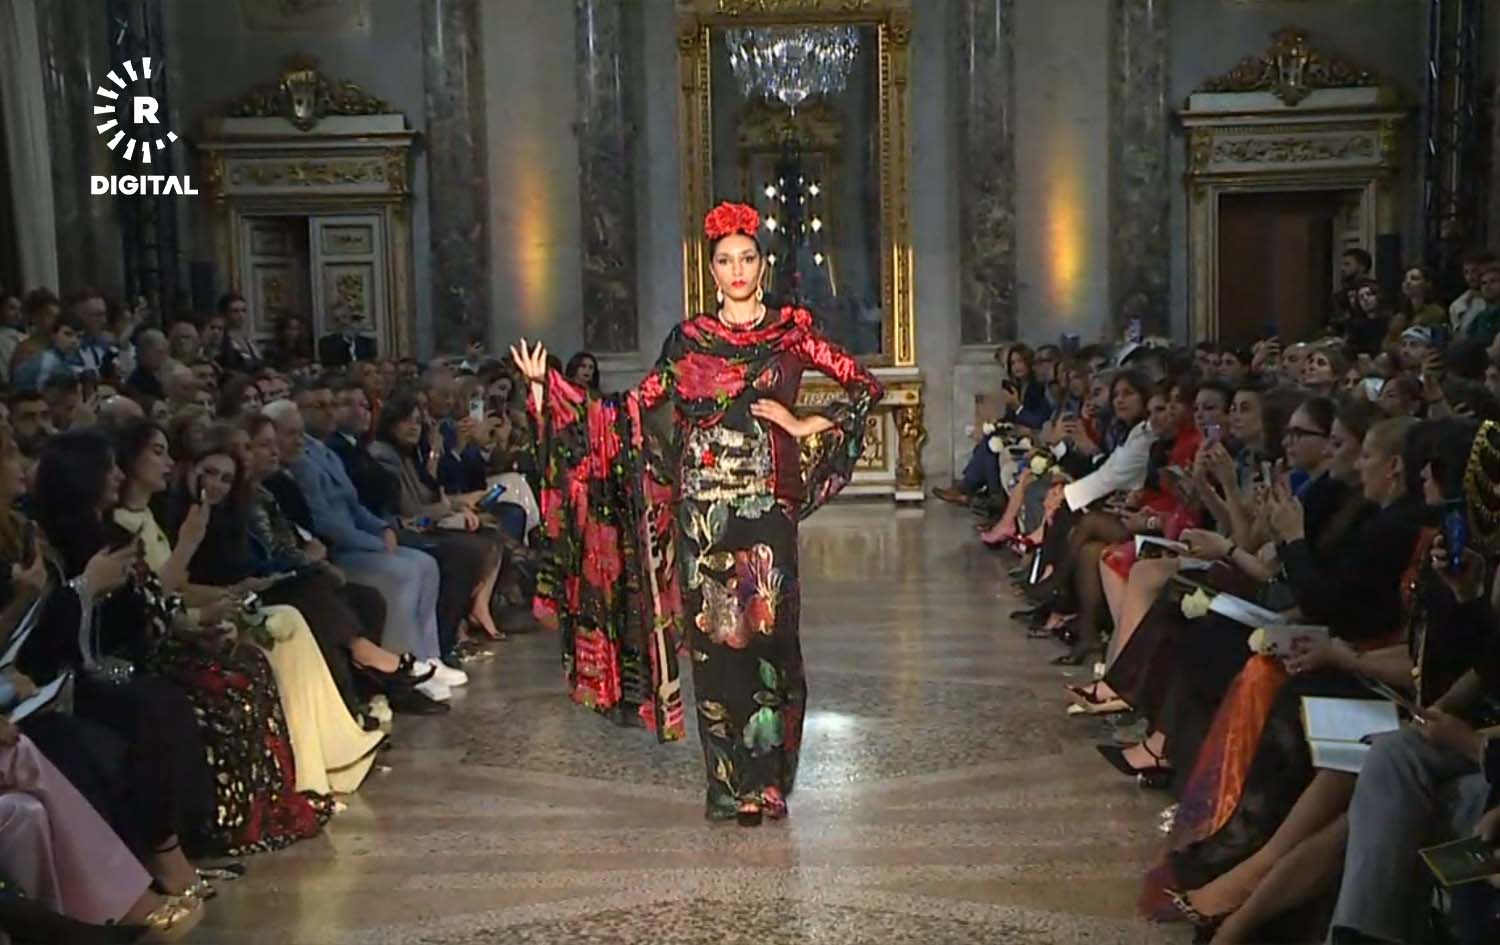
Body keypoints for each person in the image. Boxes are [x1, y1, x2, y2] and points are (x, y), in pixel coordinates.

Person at [510, 200, 882, 825]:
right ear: (712, 271)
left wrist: (801, 422)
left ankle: (768, 780)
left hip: (766, 510)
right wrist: (554, 391)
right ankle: (729, 786)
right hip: (702, 515)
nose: (737, 271)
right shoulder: (689, 343)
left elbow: (865, 388)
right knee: (714, 648)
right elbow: (629, 413)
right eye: (725, 261)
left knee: (770, 642)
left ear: (762, 266)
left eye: (747, 259)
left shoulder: (791, 334)